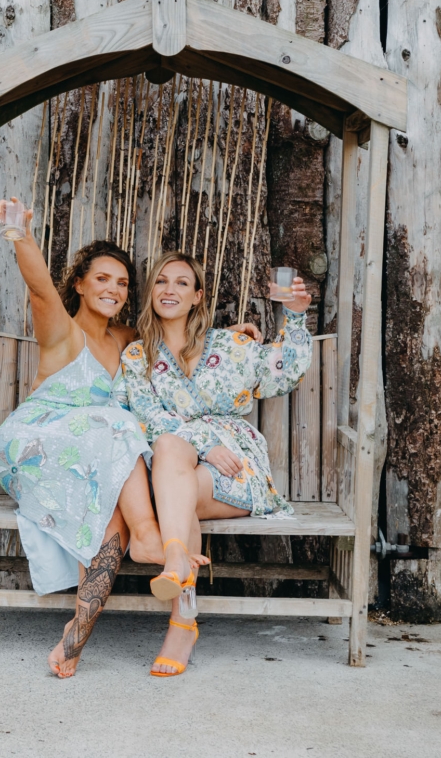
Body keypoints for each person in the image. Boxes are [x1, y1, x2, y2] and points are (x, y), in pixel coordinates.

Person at [0, 200, 259, 679]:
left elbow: (174, 337)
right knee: (117, 422)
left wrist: (225, 336)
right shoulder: (62, 332)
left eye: (122, 283)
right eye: (102, 279)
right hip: (35, 445)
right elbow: (38, 289)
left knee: (109, 510)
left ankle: (76, 635)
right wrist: (20, 237)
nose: (113, 289)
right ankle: (152, 538)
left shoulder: (131, 340)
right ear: (79, 283)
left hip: (94, 454)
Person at [121, 251, 313, 677]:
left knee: (175, 464)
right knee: (171, 449)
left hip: (235, 466)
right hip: (181, 468)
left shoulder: (231, 345)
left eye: (182, 283)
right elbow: (145, 418)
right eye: (161, 282)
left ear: (197, 297)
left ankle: (179, 600)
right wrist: (204, 443)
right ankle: (180, 594)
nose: (169, 289)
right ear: (151, 292)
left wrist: (295, 318)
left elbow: (282, 375)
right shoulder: (137, 358)